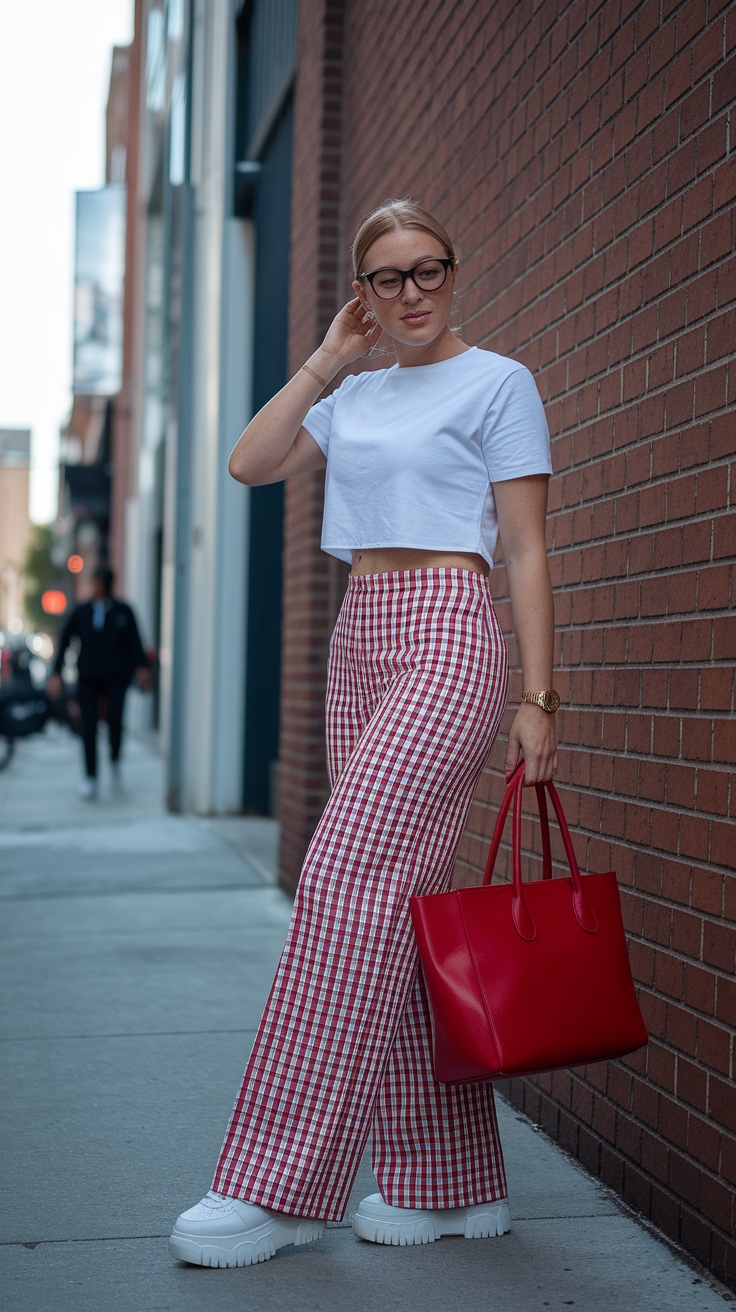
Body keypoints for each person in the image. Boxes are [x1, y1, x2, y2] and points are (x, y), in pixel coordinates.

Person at [169, 199, 558, 1268]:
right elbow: (249, 462)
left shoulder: (500, 383)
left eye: (428, 267)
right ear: (365, 295)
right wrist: (324, 361)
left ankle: (280, 1185)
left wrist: (541, 694)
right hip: (360, 638)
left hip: (448, 633)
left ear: (453, 268)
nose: (413, 292)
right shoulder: (359, 393)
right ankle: (448, 1185)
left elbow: (523, 551)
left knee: (342, 880)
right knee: (399, 910)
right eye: (387, 278)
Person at [47, 567, 150, 799]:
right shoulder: (81, 612)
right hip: (89, 678)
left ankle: (114, 760)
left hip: (116, 678)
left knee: (115, 720)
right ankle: (90, 775)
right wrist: (56, 673)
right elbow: (65, 642)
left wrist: (141, 668)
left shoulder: (123, 611)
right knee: (88, 726)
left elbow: (135, 643)